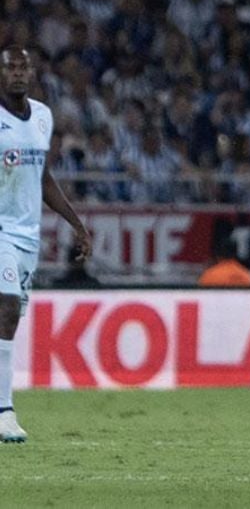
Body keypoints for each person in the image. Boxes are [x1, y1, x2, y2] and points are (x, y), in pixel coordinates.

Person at [0, 47, 92, 442]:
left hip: (28, 235)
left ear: (33, 73)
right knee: (5, 309)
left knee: (10, 321)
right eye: (10, 67)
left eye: (24, 67)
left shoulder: (42, 117)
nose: (18, 73)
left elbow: (43, 176)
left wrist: (76, 223)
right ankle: (5, 411)